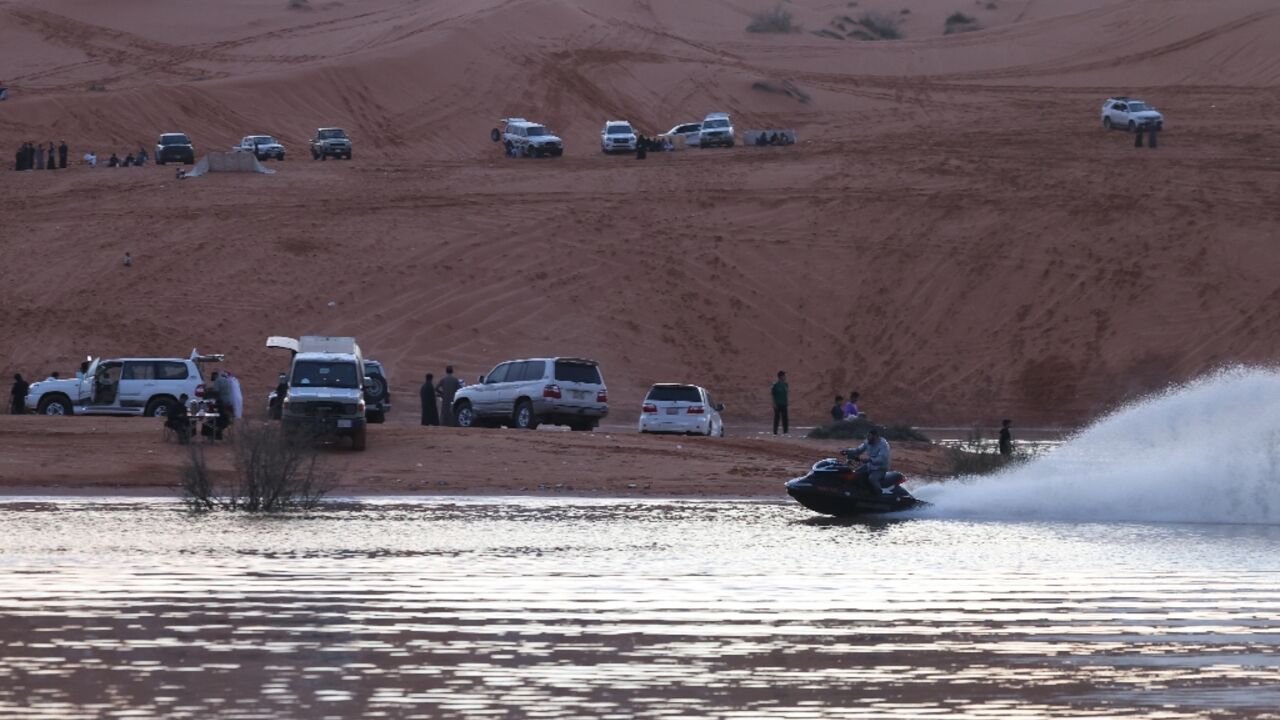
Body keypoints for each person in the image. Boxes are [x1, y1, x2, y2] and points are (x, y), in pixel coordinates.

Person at [847, 427, 893, 495]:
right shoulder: (868, 442)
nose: (867, 438)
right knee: (855, 474)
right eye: (867, 436)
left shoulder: (883, 445)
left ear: (876, 436)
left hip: (880, 468)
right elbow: (858, 450)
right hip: (869, 466)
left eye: (869, 436)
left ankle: (879, 494)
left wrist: (869, 459)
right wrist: (848, 451)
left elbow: (881, 459)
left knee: (872, 479)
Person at [771, 370, 789, 436]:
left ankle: (785, 432)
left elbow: (786, 394)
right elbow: (773, 395)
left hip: (784, 403)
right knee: (777, 418)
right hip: (777, 404)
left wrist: (786, 402)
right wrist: (774, 403)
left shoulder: (786, 384)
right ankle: (775, 432)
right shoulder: (775, 385)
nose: (785, 377)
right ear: (780, 376)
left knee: (785, 418)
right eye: (784, 376)